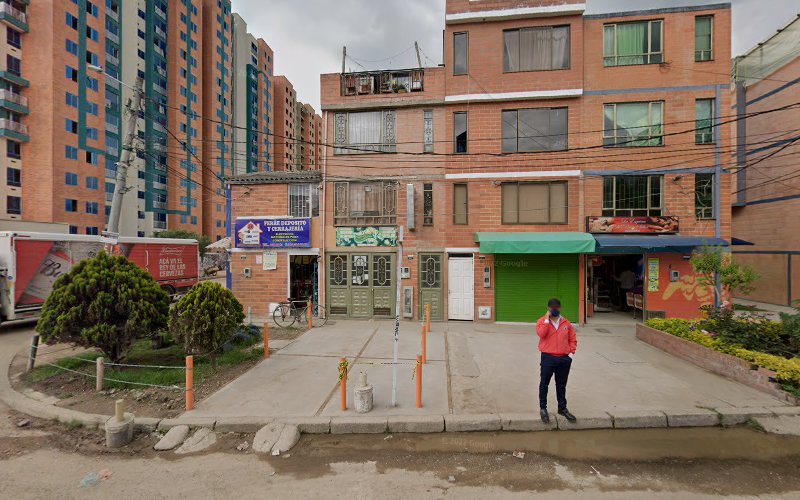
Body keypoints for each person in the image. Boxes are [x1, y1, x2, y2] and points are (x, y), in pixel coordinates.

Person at [536, 298, 577, 423]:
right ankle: (543, 409)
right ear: (548, 308)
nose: (555, 310)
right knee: (544, 384)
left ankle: (562, 408)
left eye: (557, 308)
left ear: (560, 308)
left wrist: (570, 354)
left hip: (564, 359)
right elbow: (541, 334)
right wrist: (547, 319)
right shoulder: (542, 321)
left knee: (561, 385)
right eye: (552, 308)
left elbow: (573, 339)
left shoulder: (566, 323)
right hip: (548, 358)